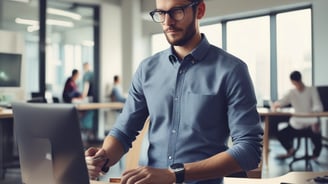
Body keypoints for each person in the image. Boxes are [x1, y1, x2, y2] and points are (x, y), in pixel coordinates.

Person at [85, 0, 263, 183]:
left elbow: (249, 149)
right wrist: (101, 158)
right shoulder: (147, 69)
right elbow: (124, 131)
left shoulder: (232, 70)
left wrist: (175, 174)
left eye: (177, 11)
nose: (168, 22)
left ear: (199, 10)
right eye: (161, 13)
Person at [271, 70, 323, 160]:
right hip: (297, 124)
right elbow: (281, 102)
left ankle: (315, 154)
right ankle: (290, 150)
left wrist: (314, 114)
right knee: (280, 134)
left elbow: (318, 106)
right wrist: (275, 105)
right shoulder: (291, 92)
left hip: (310, 123)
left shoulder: (311, 90)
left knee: (316, 132)